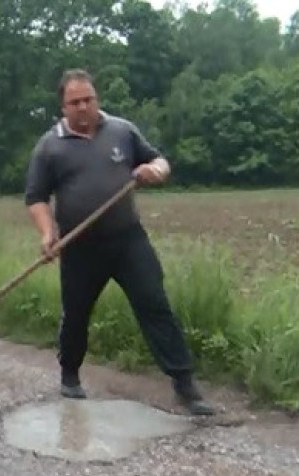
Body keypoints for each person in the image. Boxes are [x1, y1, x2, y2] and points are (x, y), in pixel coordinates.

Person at [23, 68, 215, 416]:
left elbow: (160, 160)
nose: (83, 107)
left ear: (97, 99)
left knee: (155, 305)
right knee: (77, 313)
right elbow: (35, 197)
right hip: (80, 246)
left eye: (89, 99)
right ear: (63, 107)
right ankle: (70, 374)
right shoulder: (49, 147)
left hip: (128, 241)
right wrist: (47, 232)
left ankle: (185, 385)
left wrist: (155, 171)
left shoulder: (123, 131)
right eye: (75, 102)